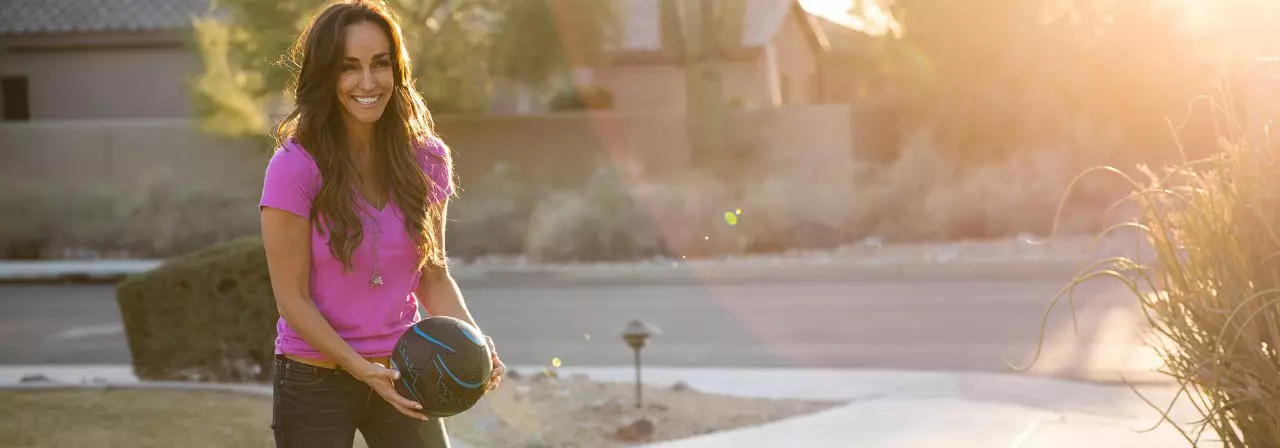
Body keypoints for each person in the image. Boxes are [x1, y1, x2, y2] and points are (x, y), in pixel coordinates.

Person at [257, 1, 504, 447]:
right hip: (315, 378)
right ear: (326, 75)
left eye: (380, 64)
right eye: (348, 68)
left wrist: (474, 341)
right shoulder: (294, 166)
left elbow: (433, 273)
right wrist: (360, 368)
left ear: (397, 69)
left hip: (408, 371)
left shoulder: (427, 158)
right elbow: (291, 299)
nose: (367, 83)